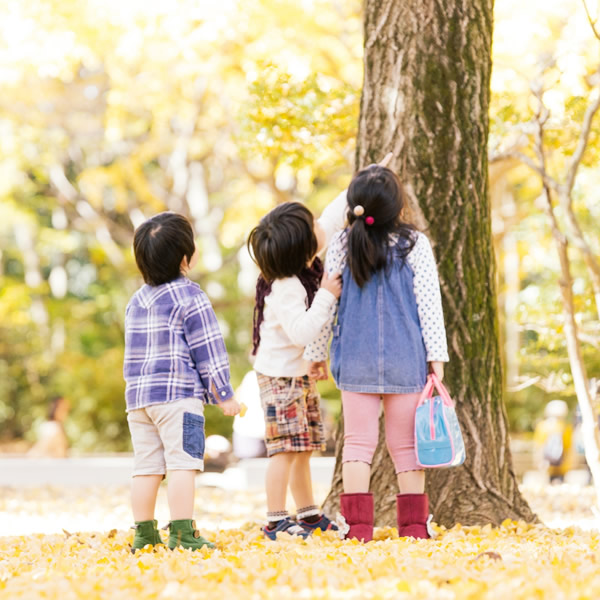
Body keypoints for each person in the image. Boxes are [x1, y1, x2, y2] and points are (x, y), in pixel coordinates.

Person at [305, 165, 449, 541]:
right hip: (406, 360)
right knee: (406, 447)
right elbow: (429, 305)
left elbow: (328, 302)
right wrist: (437, 357)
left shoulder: (340, 244)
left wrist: (315, 353)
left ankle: (358, 529)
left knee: (357, 444)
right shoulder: (415, 244)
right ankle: (415, 529)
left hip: (355, 359)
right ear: (396, 206)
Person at [123, 212, 240, 552]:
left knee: (146, 467)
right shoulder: (190, 296)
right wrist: (223, 394)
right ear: (185, 259)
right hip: (177, 398)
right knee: (182, 465)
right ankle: (182, 534)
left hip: (139, 401)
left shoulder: (136, 301)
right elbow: (209, 349)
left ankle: (144, 535)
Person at [533, 399, 573, 483]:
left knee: (547, 486)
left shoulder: (542, 426)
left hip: (546, 464)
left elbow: (539, 446)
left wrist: (538, 461)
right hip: (562, 465)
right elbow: (568, 447)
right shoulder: (566, 427)